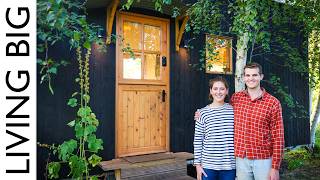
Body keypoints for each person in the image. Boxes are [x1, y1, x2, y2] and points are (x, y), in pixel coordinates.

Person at [195, 62, 284, 180]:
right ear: (243, 77)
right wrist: (200, 114)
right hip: (241, 159)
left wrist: (275, 167)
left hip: (263, 159)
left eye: (254, 75)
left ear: (261, 76)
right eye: (247, 75)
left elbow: (278, 137)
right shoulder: (236, 99)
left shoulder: (273, 103)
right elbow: (219, 109)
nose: (251, 78)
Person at [194, 76, 236, 180]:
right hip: (208, 165)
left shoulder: (234, 111)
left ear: (227, 91)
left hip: (229, 165)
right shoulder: (202, 113)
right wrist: (198, 165)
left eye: (222, 89)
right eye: (215, 89)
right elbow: (198, 140)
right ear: (211, 91)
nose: (219, 92)